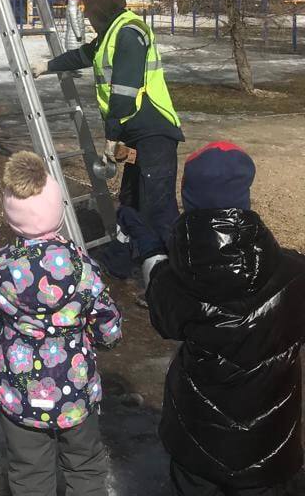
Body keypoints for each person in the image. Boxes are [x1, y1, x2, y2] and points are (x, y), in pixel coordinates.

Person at [128, 142, 305, 496]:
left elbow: (163, 316)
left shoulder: (176, 279)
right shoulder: (294, 273)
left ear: (189, 201)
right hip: (270, 446)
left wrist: (149, 250)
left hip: (199, 443)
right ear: (244, 199)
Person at [0, 151, 122, 496]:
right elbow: (106, 322)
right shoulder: (84, 269)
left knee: (28, 472)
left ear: (12, 218)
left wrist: (5, 337)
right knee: (84, 466)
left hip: (19, 389)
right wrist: (107, 337)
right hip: (75, 388)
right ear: (58, 211)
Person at [32, 0, 183, 248]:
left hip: (153, 130)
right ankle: (140, 257)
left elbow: (124, 90)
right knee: (132, 198)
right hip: (136, 132)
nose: (88, 16)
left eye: (90, 10)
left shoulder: (129, 33)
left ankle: (170, 265)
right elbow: (84, 55)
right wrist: (47, 66)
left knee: (157, 204)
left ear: (102, 8)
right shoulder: (112, 32)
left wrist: (111, 138)